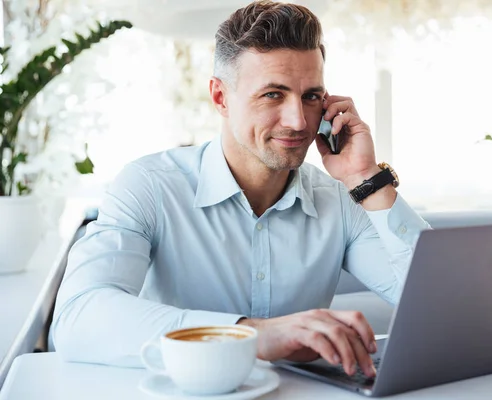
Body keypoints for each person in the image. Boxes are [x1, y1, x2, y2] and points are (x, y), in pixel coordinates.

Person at [50, 0, 430, 378]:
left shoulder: (342, 199)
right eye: (272, 94)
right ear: (220, 97)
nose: (298, 121)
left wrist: (366, 177)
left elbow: (439, 305)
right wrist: (251, 334)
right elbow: (78, 316)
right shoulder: (149, 187)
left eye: (311, 96)